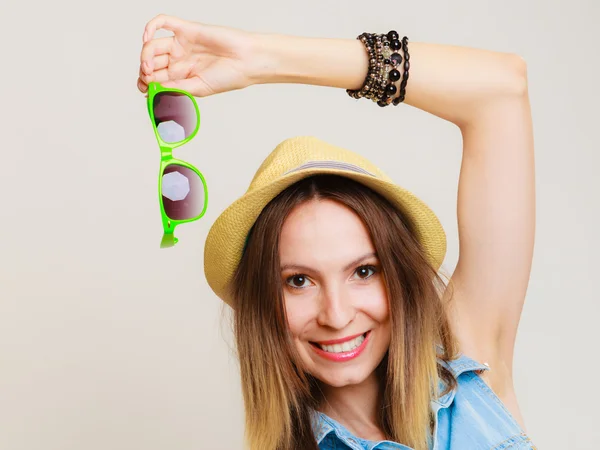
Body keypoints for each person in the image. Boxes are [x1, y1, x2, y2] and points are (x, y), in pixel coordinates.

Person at [137, 14, 535, 450]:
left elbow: (500, 88)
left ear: (398, 273)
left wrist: (262, 60)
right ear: (262, 303)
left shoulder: (470, 375)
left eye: (363, 271)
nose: (337, 315)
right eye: (298, 281)